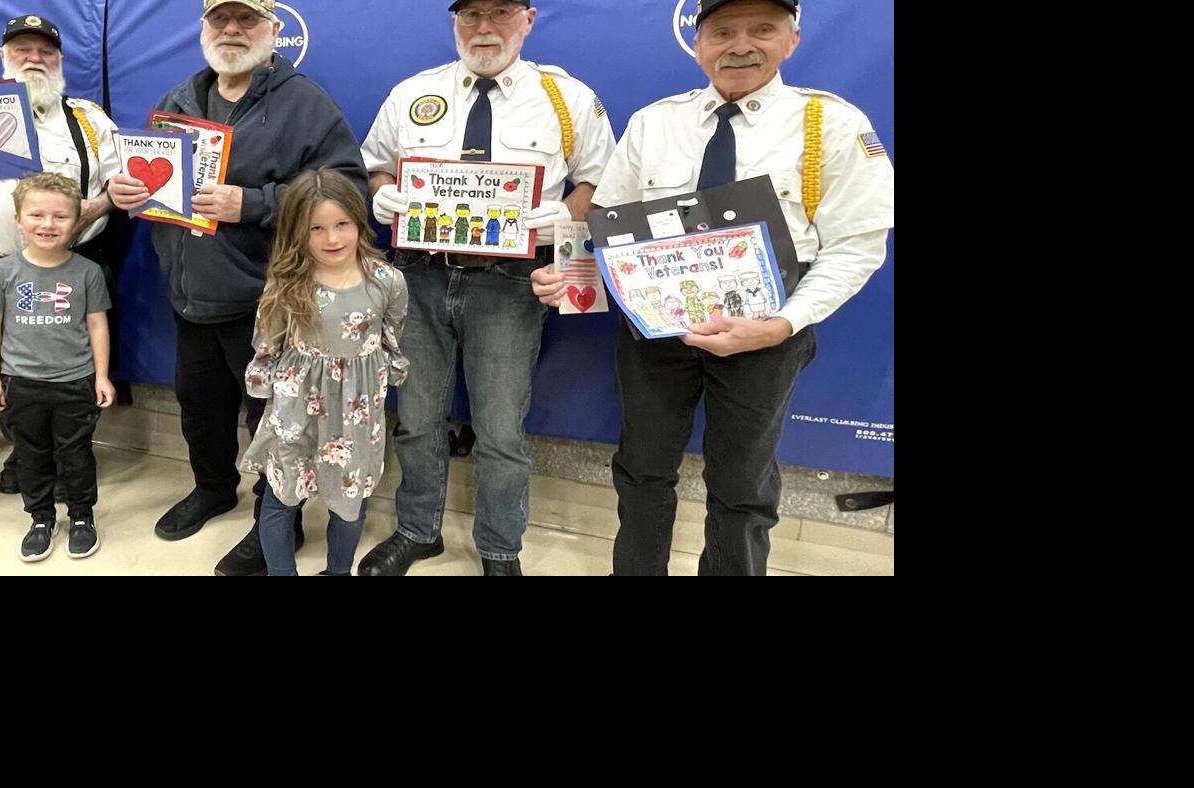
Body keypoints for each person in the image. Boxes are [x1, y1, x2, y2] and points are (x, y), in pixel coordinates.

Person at [530, 0, 895, 575]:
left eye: (762, 30)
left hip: (769, 327)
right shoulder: (657, 121)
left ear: (792, 39)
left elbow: (856, 247)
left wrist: (780, 325)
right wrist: (572, 274)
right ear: (697, 43)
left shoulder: (832, 125)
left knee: (743, 481)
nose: (740, 45)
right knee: (642, 467)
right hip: (653, 326)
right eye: (722, 31)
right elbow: (609, 222)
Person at [107, 0, 368, 576]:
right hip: (189, 291)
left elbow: (348, 193)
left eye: (246, 20)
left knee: (274, 420)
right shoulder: (177, 100)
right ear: (203, 29)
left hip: (266, 302)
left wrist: (251, 203)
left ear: (273, 30)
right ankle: (213, 487)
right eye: (219, 20)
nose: (231, 30)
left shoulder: (306, 103)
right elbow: (154, 174)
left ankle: (278, 519)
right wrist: (126, 191)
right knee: (200, 406)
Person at [356, 0, 614, 576]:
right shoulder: (411, 93)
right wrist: (380, 193)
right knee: (418, 417)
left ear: (529, 19)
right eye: (469, 15)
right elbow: (375, 164)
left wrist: (564, 219)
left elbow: (601, 178)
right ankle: (418, 531)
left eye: (500, 12)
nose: (484, 28)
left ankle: (500, 549)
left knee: (500, 426)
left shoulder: (566, 98)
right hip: (417, 275)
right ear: (454, 23)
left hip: (511, 284)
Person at [0, 12, 123, 495]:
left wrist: (96, 204)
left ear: (59, 61)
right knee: (11, 368)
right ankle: (25, 449)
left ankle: (71, 451)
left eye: (45, 52)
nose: (34, 59)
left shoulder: (88, 118)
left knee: (72, 365)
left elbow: (124, 183)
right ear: (3, 58)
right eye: (22, 51)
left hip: (76, 266)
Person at [241, 170, 409, 576]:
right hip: (295, 409)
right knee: (280, 498)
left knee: (350, 506)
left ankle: (338, 571)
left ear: (358, 222)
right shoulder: (287, 283)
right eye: (316, 229)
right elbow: (267, 344)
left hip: (357, 416)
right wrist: (272, 396)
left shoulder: (386, 280)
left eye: (341, 225)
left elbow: (391, 337)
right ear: (298, 232)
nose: (332, 239)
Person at [0, 174, 115, 562]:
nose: (48, 225)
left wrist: (101, 375)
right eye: (36, 215)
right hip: (21, 383)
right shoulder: (0, 273)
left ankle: (82, 515)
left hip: (75, 381)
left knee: (76, 454)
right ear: (18, 219)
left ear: (76, 222)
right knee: (31, 455)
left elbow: (97, 324)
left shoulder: (87, 272)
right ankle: (40, 518)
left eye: (60, 216)